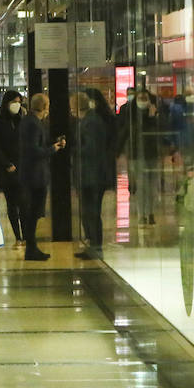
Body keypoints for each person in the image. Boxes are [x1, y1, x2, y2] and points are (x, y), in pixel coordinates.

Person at [18, 93, 66, 261]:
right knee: (33, 213)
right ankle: (31, 249)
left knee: (33, 213)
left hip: (33, 174)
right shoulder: (33, 124)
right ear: (44, 106)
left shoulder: (31, 121)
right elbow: (34, 150)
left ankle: (32, 247)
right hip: (35, 175)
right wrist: (53, 149)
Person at [74, 89, 116, 260]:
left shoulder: (90, 122)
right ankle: (92, 245)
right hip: (90, 174)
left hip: (91, 175)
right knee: (89, 212)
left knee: (91, 212)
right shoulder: (90, 120)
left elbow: (91, 148)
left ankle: (95, 246)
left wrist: (75, 150)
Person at [117, 86, 163, 225]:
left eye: (145, 98)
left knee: (152, 186)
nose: (143, 101)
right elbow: (125, 131)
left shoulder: (155, 114)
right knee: (142, 185)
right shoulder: (131, 113)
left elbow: (161, 131)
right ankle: (142, 214)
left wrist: (153, 116)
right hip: (136, 155)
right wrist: (117, 151)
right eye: (140, 98)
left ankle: (150, 212)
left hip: (152, 154)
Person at [0, 90, 26, 248]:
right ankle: (18, 237)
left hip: (22, 168)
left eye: (19, 102)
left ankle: (26, 236)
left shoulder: (21, 120)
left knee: (24, 204)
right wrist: (6, 164)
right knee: (12, 204)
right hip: (6, 170)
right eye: (14, 102)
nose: (16, 105)